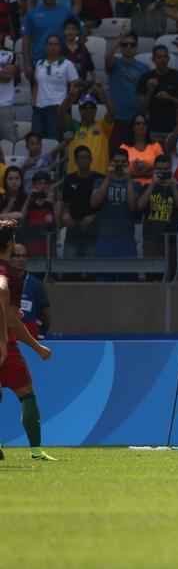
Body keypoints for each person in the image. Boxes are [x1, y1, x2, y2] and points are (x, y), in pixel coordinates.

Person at [0, 220, 55, 463]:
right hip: (5, 346)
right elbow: (11, 318)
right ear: (10, 243)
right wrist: (37, 346)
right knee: (26, 394)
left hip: (6, 342)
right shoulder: (10, 275)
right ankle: (35, 451)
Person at [134, 154, 178, 269]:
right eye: (159, 169)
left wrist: (173, 186)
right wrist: (153, 184)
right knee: (152, 273)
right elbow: (139, 206)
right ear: (154, 170)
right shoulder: (147, 187)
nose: (162, 172)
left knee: (173, 272)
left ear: (170, 170)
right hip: (151, 237)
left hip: (172, 237)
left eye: (166, 169)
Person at [138, 46, 178, 140]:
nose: (163, 60)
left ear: (168, 58)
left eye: (165, 57)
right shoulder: (145, 78)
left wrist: (170, 98)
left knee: (174, 154)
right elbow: (141, 109)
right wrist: (150, 91)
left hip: (176, 129)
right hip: (154, 129)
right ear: (153, 59)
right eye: (159, 57)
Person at [89, 149, 136, 257]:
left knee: (128, 273)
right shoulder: (100, 182)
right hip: (105, 237)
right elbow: (94, 203)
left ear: (128, 164)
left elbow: (133, 207)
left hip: (126, 238)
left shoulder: (134, 184)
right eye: (116, 162)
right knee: (103, 272)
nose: (119, 165)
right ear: (110, 163)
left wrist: (128, 179)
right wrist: (108, 176)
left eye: (123, 162)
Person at [21, 0, 74, 73]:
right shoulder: (31, 14)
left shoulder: (66, 12)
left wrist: (73, 57)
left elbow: (76, 34)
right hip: (38, 62)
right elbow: (26, 40)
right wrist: (27, 63)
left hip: (61, 62)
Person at [59, 146, 101, 257]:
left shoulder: (99, 178)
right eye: (81, 157)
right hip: (73, 227)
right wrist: (66, 214)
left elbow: (105, 205)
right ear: (76, 160)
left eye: (87, 157)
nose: (84, 160)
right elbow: (66, 202)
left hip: (92, 228)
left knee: (91, 269)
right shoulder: (69, 179)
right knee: (69, 267)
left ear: (91, 159)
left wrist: (94, 216)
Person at [9, 243, 51, 338]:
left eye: (24, 256)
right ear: (9, 258)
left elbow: (46, 316)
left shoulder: (36, 285)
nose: (21, 259)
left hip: (29, 341)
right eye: (17, 256)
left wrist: (40, 335)